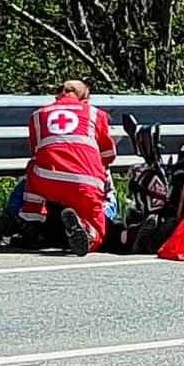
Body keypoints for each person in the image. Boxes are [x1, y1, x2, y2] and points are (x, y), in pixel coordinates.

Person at [18, 79, 117, 256]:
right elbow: (108, 155)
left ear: (57, 94)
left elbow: (35, 151)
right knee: (97, 225)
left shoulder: (38, 115)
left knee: (33, 171)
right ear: (85, 98)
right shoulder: (96, 114)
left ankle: (32, 225)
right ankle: (87, 232)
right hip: (86, 182)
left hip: (48, 179)